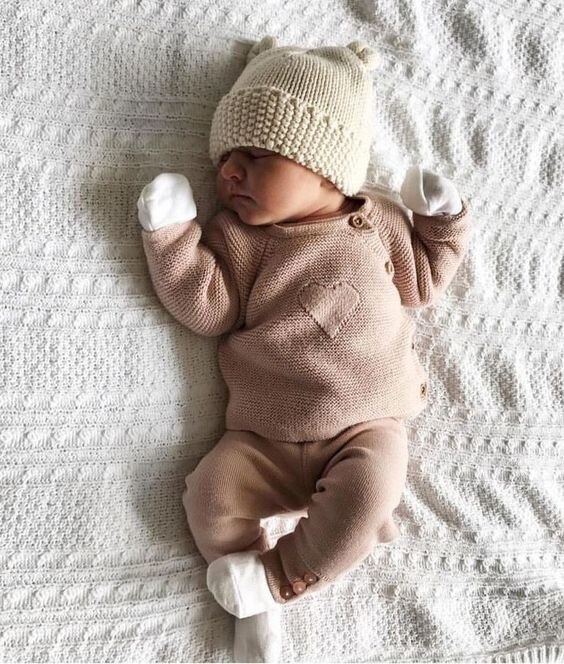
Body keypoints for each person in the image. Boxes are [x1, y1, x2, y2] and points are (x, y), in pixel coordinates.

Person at [137, 35, 472, 663]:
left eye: (256, 155)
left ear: (324, 164)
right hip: (263, 436)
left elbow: (424, 280)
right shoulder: (241, 238)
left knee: (369, 495)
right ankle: (248, 592)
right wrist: (172, 239)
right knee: (208, 497)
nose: (229, 172)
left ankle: (276, 580)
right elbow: (207, 306)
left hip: (364, 425)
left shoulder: (378, 223)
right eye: (225, 158)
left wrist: (443, 221)